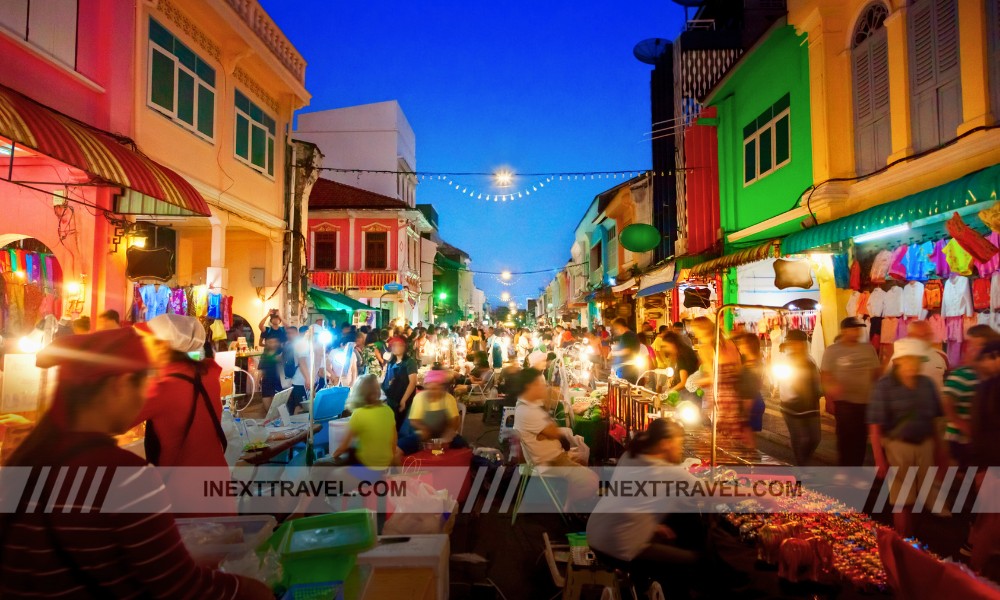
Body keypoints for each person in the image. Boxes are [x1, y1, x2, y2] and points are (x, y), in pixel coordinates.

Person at [0, 329, 271, 599]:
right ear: (120, 384)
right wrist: (251, 590)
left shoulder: (24, 462)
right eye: (145, 385)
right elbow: (180, 588)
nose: (146, 397)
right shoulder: (125, 475)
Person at [587, 418, 703, 590]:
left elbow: (626, 500)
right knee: (695, 561)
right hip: (618, 547)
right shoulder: (668, 472)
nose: (680, 450)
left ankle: (639, 587)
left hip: (596, 535)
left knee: (665, 542)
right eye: (679, 444)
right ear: (666, 444)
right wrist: (754, 492)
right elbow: (714, 492)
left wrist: (652, 527)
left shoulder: (630, 455)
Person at [868, 338, 945, 536]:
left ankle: (913, 540)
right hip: (898, 448)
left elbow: (934, 421)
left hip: (925, 446)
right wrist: (879, 459)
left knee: (921, 498)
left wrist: (940, 453)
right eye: (908, 359)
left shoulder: (926, 384)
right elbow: (875, 425)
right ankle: (902, 542)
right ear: (898, 361)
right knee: (902, 500)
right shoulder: (885, 385)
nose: (913, 364)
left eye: (916, 360)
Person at [135, 314, 227, 469]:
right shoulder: (208, 374)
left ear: (162, 347)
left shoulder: (162, 386)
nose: (142, 345)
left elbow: (114, 422)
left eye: (146, 341)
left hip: (180, 484)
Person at [513, 368, 598, 511]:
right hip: (550, 461)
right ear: (530, 386)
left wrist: (549, 433)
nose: (543, 387)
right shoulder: (529, 411)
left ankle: (570, 501)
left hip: (547, 456)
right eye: (539, 384)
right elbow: (555, 433)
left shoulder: (525, 406)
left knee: (582, 460)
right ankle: (568, 505)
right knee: (593, 480)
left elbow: (550, 431)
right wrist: (553, 434)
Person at [822, 317, 881, 466]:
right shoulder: (833, 350)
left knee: (861, 439)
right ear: (844, 331)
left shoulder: (868, 348)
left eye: (858, 329)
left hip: (865, 402)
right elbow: (825, 375)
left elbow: (875, 373)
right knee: (846, 439)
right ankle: (846, 470)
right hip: (844, 403)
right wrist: (829, 399)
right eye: (853, 329)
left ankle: (856, 470)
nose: (857, 332)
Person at [941, 325, 997, 468]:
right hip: (963, 441)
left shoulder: (990, 379)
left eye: (977, 346)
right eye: (970, 345)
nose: (971, 350)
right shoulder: (962, 375)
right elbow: (946, 402)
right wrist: (962, 424)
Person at [690, 316, 750, 444]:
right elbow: (739, 369)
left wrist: (697, 382)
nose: (694, 332)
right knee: (734, 434)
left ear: (703, 330)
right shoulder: (729, 343)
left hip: (720, 395)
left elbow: (713, 377)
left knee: (721, 436)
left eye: (695, 329)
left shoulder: (705, 349)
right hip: (735, 393)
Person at [329, 374, 398, 469]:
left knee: (323, 466)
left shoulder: (358, 414)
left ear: (358, 392)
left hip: (367, 467)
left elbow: (343, 447)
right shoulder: (388, 410)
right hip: (386, 464)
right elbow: (393, 441)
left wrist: (331, 457)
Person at [776, 330, 822, 465]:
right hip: (792, 407)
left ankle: (804, 462)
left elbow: (816, 378)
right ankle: (802, 467)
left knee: (815, 438)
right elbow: (784, 383)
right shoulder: (785, 360)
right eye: (793, 343)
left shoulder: (810, 359)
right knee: (799, 439)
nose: (796, 346)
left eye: (799, 343)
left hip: (811, 406)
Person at [401, 369, 468, 454]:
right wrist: (425, 429)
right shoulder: (419, 398)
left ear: (442, 388)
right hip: (423, 434)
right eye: (431, 388)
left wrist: (447, 435)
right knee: (401, 447)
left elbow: (455, 420)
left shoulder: (448, 398)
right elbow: (414, 420)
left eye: (437, 388)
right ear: (425, 387)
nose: (433, 391)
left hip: (445, 434)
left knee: (464, 448)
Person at [382, 336, 418, 430]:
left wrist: (403, 400)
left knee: (401, 426)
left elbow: (412, 382)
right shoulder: (391, 362)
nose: (395, 347)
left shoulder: (409, 362)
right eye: (393, 345)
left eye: (398, 345)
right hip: (391, 399)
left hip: (404, 399)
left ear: (404, 347)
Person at [660, 331, 700, 398]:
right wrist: (672, 378)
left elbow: (683, 382)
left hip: (688, 395)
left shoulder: (682, 355)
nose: (665, 349)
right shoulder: (684, 351)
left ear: (673, 344)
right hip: (690, 393)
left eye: (666, 346)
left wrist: (667, 393)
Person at [257, 335, 285, 414]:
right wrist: (257, 382)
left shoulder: (281, 352)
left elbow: (280, 360)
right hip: (266, 382)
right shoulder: (264, 354)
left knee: (276, 408)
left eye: (275, 341)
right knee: (267, 408)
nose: (273, 344)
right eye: (270, 342)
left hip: (277, 382)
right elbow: (261, 369)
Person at [611, 317, 641, 383]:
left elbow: (627, 351)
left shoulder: (627, 336)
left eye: (616, 328)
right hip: (630, 369)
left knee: (624, 389)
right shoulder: (632, 335)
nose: (616, 331)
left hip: (626, 370)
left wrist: (613, 353)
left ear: (620, 326)